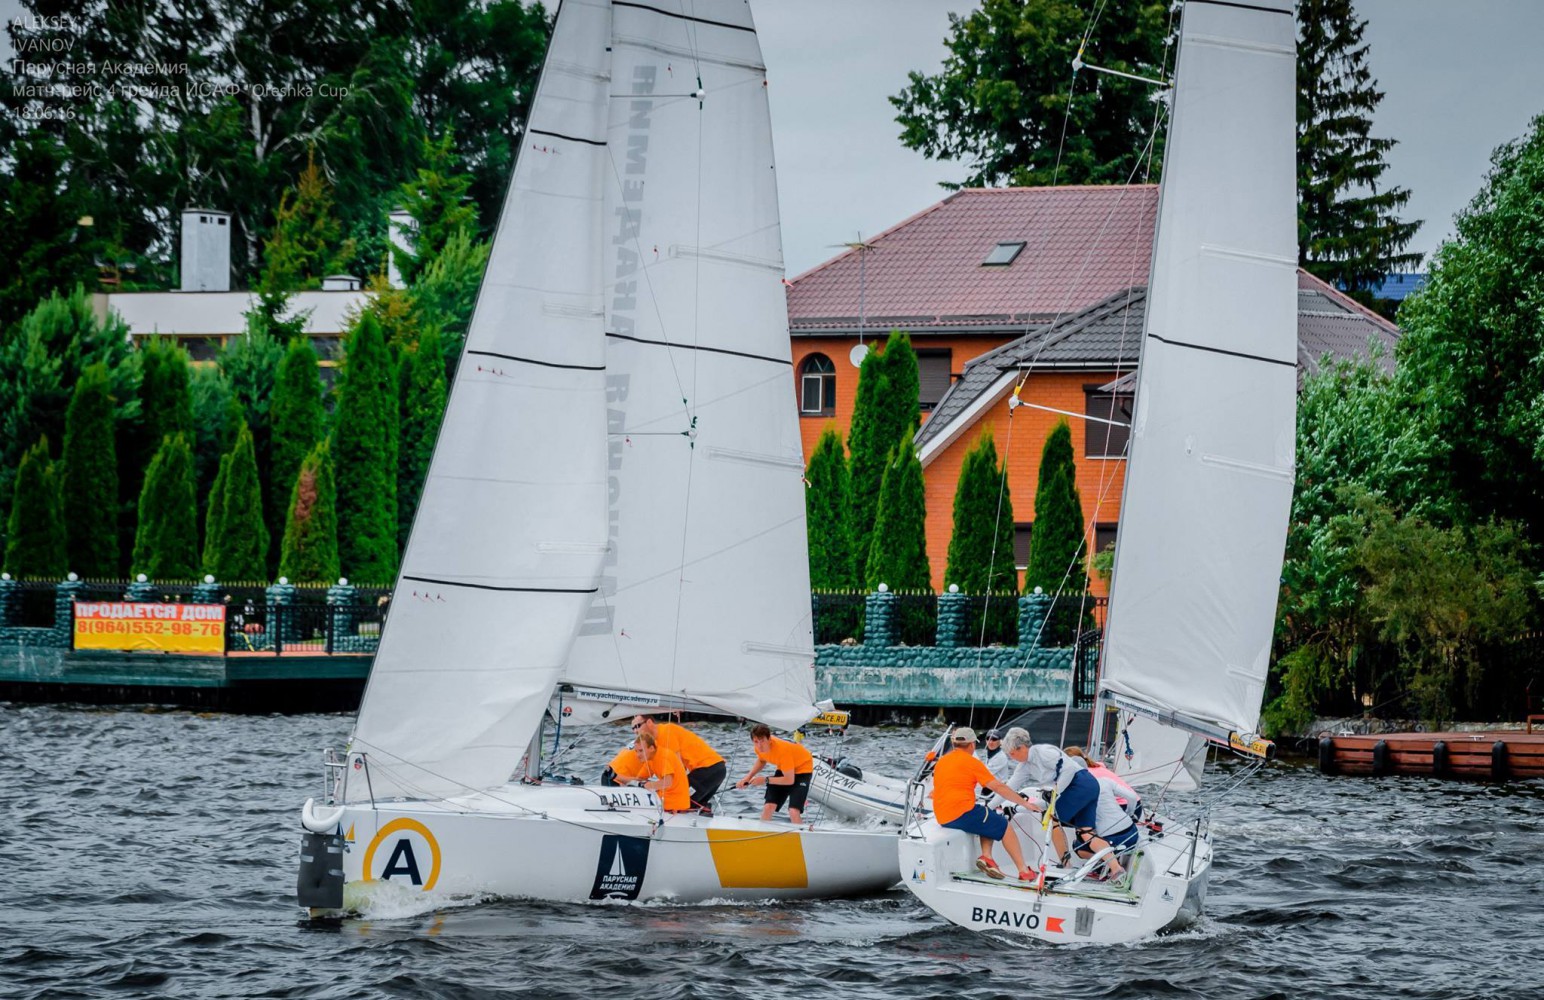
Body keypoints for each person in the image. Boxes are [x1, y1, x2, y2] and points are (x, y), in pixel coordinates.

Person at [998, 728, 1125, 879]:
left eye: (1012, 754)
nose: (1012, 758)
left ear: (1021, 748)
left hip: (1079, 784)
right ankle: (1116, 869)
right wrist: (991, 806)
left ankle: (1065, 865)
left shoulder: (1043, 752)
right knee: (1086, 832)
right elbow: (1006, 789)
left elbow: (1069, 770)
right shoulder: (1024, 767)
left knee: (1052, 819)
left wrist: (1055, 792)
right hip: (1088, 784)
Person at [931, 727, 1042, 882]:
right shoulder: (972, 762)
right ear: (971, 745)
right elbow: (998, 787)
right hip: (961, 813)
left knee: (987, 817)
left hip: (942, 815)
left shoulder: (942, 761)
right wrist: (1025, 803)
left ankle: (987, 857)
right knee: (1005, 826)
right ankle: (1024, 871)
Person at [632, 715, 727, 813]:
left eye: (638, 726)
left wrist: (658, 786)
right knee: (692, 805)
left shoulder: (666, 732)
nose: (635, 731)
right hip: (716, 769)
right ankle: (702, 817)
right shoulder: (656, 743)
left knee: (678, 800)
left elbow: (677, 768)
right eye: (633, 728)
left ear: (649, 723)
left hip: (708, 768)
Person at [735, 723, 815, 824]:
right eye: (756, 742)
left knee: (793, 811)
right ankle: (762, 832)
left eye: (762, 741)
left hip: (803, 770)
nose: (759, 745)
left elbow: (789, 780)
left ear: (769, 739)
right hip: (785, 769)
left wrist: (765, 780)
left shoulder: (782, 750)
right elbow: (762, 760)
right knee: (769, 806)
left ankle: (803, 836)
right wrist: (747, 777)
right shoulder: (758, 747)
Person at [627, 731, 692, 812]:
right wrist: (618, 778)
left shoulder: (663, 757)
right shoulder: (650, 758)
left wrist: (649, 785)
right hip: (664, 798)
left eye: (641, 751)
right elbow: (639, 778)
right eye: (636, 751)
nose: (638, 755)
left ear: (651, 748)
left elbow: (668, 782)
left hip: (674, 803)